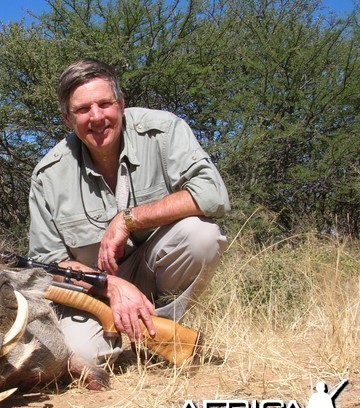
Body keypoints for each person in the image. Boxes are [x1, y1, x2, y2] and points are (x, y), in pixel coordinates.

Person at [28, 58, 230, 366]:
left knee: (201, 235)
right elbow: (49, 264)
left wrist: (128, 219)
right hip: (93, 291)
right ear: (67, 119)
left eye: (105, 104)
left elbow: (213, 195)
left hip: (153, 269)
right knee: (83, 357)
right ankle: (133, 335)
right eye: (83, 110)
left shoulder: (163, 130)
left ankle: (162, 332)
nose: (96, 117)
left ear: (121, 104)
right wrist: (110, 285)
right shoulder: (48, 175)